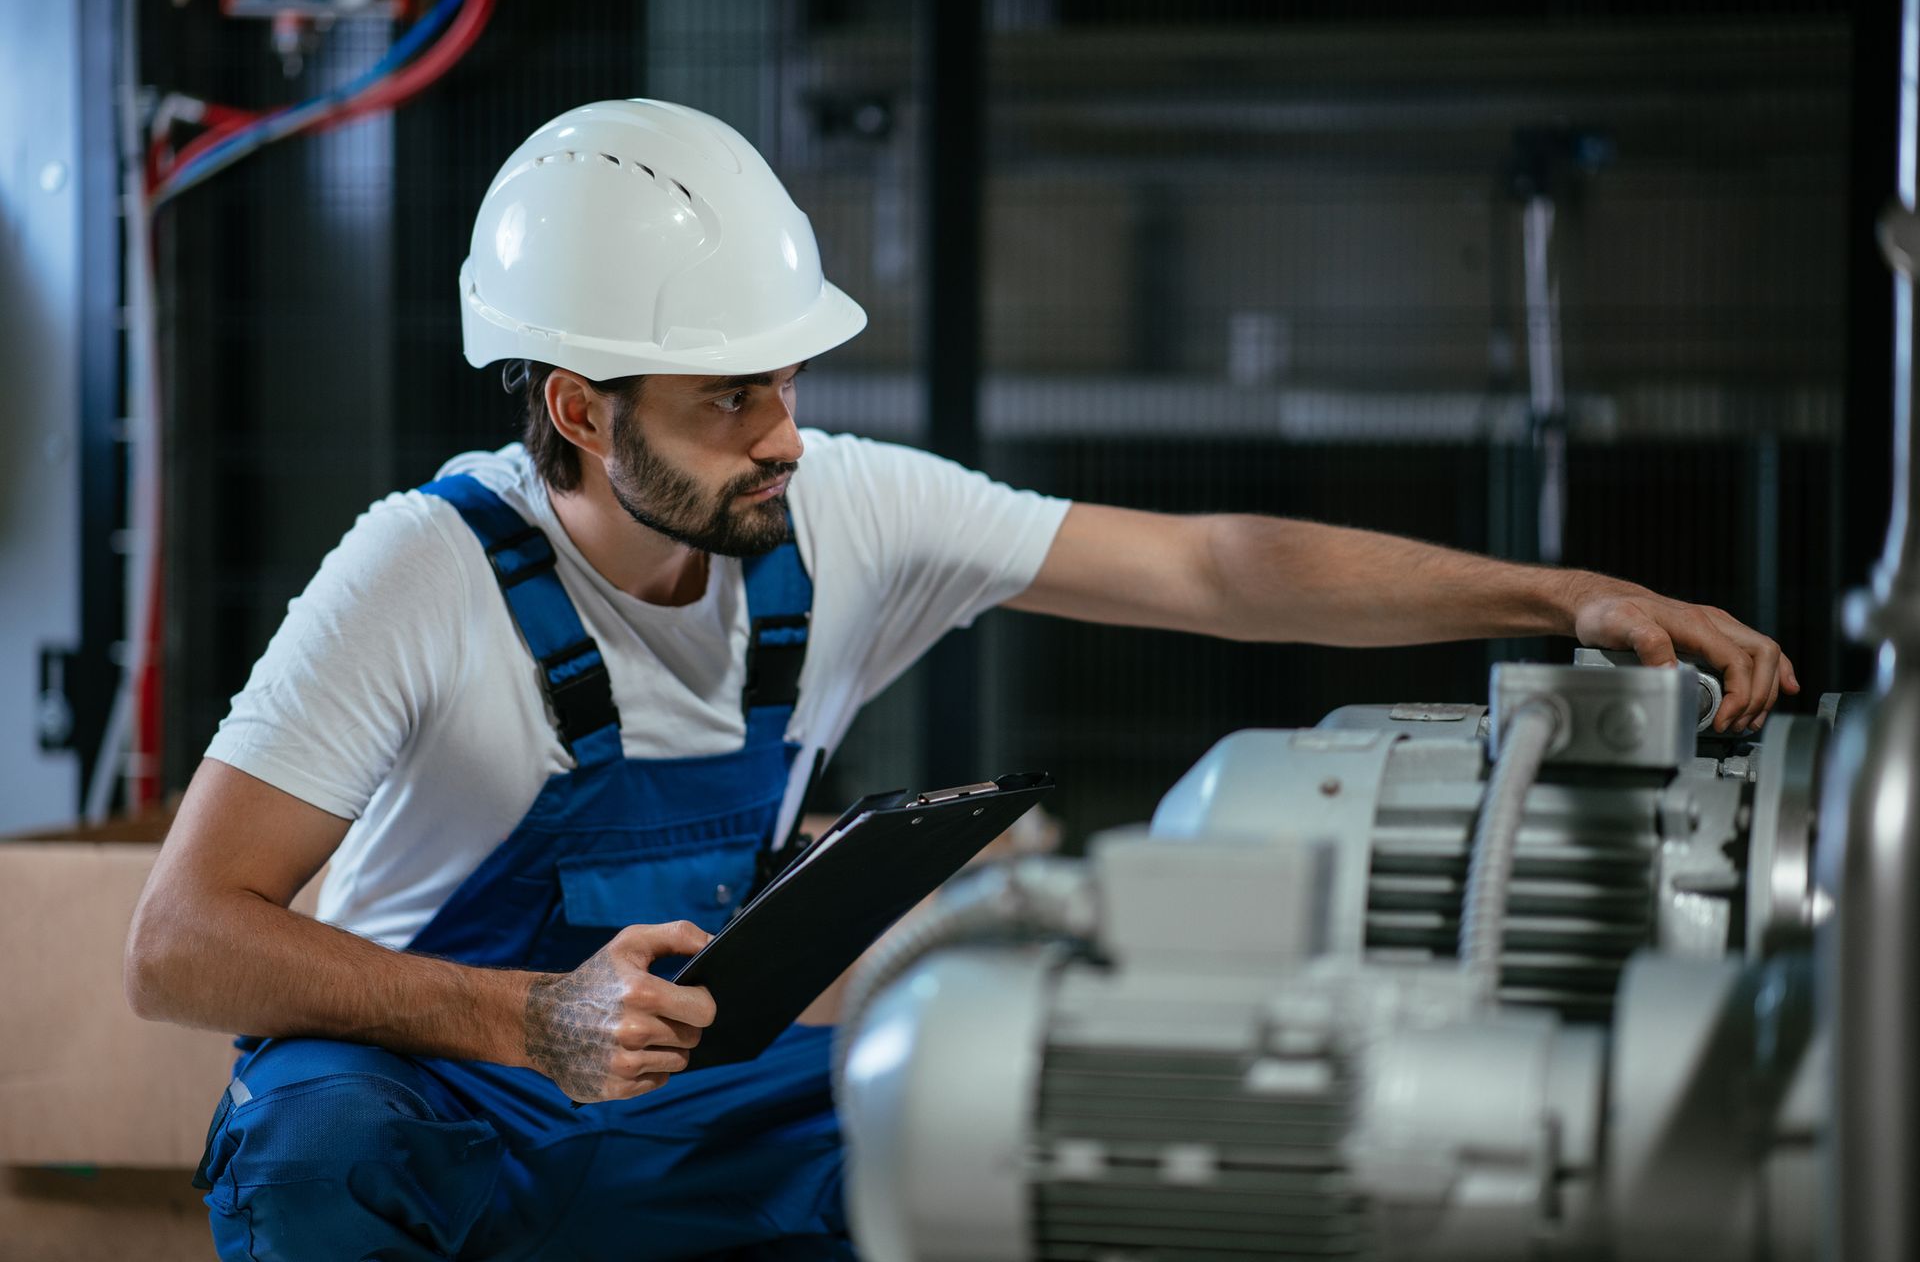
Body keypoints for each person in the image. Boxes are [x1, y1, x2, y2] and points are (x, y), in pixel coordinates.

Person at [124, 99, 1796, 1261]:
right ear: (578, 408)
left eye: (787, 381)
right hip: (450, 1106)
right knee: (314, 1144)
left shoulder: (840, 509)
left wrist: (1559, 591)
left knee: (961, 1125)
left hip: (677, 1107)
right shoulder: (419, 573)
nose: (783, 431)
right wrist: (531, 1017)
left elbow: (1214, 567)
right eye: (730, 402)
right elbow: (184, 945)